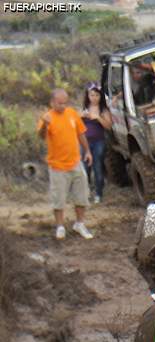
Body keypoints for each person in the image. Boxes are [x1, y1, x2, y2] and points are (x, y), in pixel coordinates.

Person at [37, 88, 94, 240]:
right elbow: (41, 136)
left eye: (65, 103)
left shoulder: (72, 114)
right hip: (57, 166)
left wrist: (87, 151)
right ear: (52, 102)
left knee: (81, 195)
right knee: (59, 199)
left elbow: (81, 133)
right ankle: (60, 226)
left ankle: (80, 223)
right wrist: (44, 125)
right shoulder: (47, 117)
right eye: (59, 103)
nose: (63, 106)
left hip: (75, 162)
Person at [81, 82, 112, 204]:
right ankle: (86, 193)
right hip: (85, 142)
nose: (94, 98)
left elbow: (109, 126)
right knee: (85, 169)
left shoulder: (103, 110)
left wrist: (98, 118)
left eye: (96, 95)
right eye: (91, 95)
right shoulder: (84, 109)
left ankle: (99, 193)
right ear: (87, 96)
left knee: (97, 167)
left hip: (99, 142)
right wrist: (81, 116)